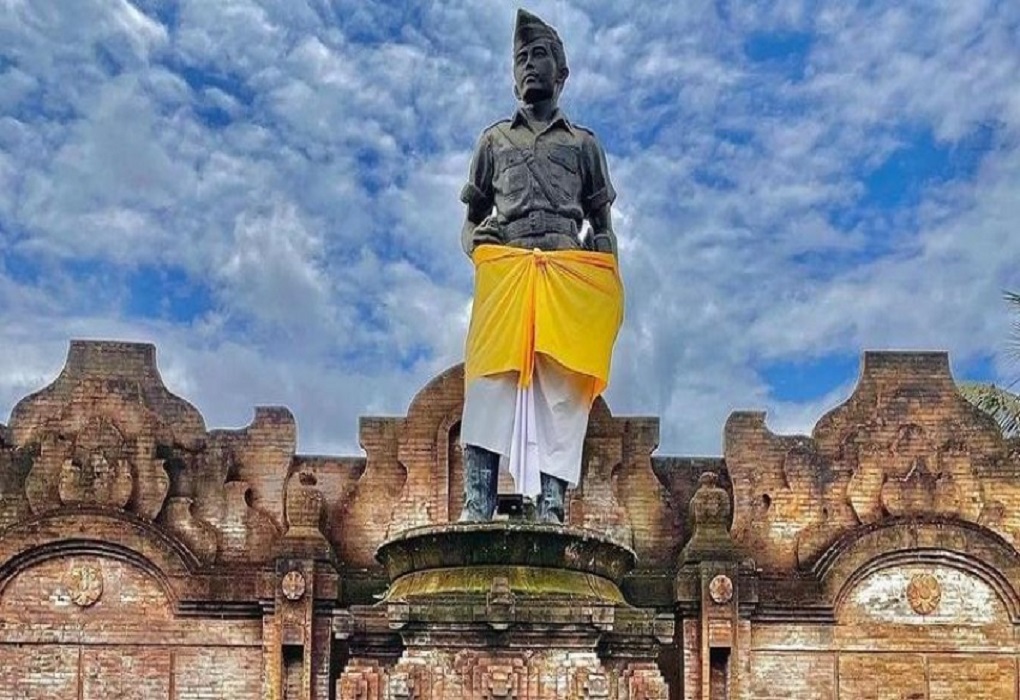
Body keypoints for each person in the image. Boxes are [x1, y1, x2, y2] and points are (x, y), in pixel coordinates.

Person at [458, 9, 621, 524]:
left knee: (559, 392)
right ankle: (476, 505)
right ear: (513, 74)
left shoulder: (583, 145)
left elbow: (602, 223)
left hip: (564, 271)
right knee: (486, 385)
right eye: (522, 58)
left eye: (540, 55)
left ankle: (553, 506)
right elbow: (471, 220)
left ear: (562, 73)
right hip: (506, 270)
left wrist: (606, 271)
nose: (530, 66)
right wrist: (473, 244)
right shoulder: (493, 142)